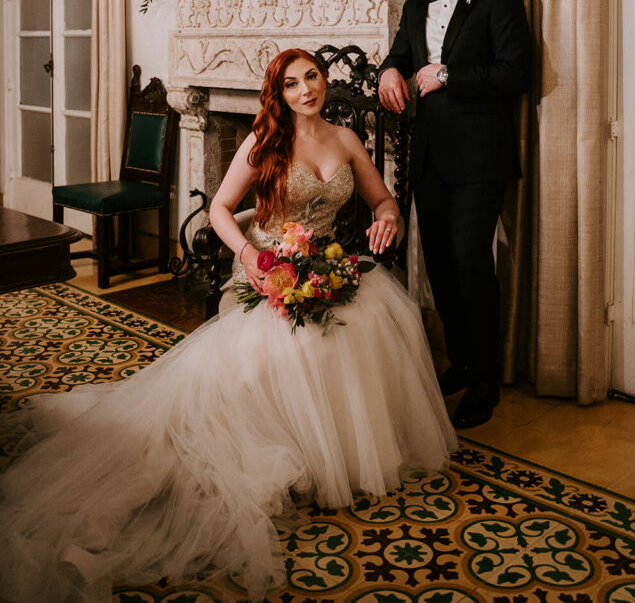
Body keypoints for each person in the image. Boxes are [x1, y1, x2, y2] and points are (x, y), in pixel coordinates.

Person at [0, 48, 456, 603]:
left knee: (375, 324)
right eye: (292, 84)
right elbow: (220, 208)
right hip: (271, 268)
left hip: (331, 265)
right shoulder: (263, 142)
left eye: (312, 77)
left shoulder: (345, 138)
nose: (306, 90)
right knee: (287, 354)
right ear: (279, 93)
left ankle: (340, 452)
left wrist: (387, 220)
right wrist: (249, 255)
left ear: (324, 80)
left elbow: (383, 200)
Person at [379, 0, 531, 430]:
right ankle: (462, 362)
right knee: (440, 269)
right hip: (429, 158)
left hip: (479, 159)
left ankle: (486, 380)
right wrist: (388, 73)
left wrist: (446, 75)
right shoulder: (415, 4)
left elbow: (516, 74)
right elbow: (399, 54)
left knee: (471, 264)